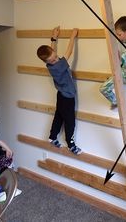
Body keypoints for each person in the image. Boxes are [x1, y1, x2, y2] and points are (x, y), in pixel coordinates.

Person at [37, 26, 82, 155]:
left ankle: (52, 137)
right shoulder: (58, 67)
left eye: (56, 57)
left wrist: (54, 37)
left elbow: (52, 52)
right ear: (47, 61)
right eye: (53, 60)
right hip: (67, 97)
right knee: (70, 121)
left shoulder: (49, 65)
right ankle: (71, 144)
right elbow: (69, 52)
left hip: (61, 95)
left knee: (59, 116)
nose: (56, 59)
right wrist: (73, 36)